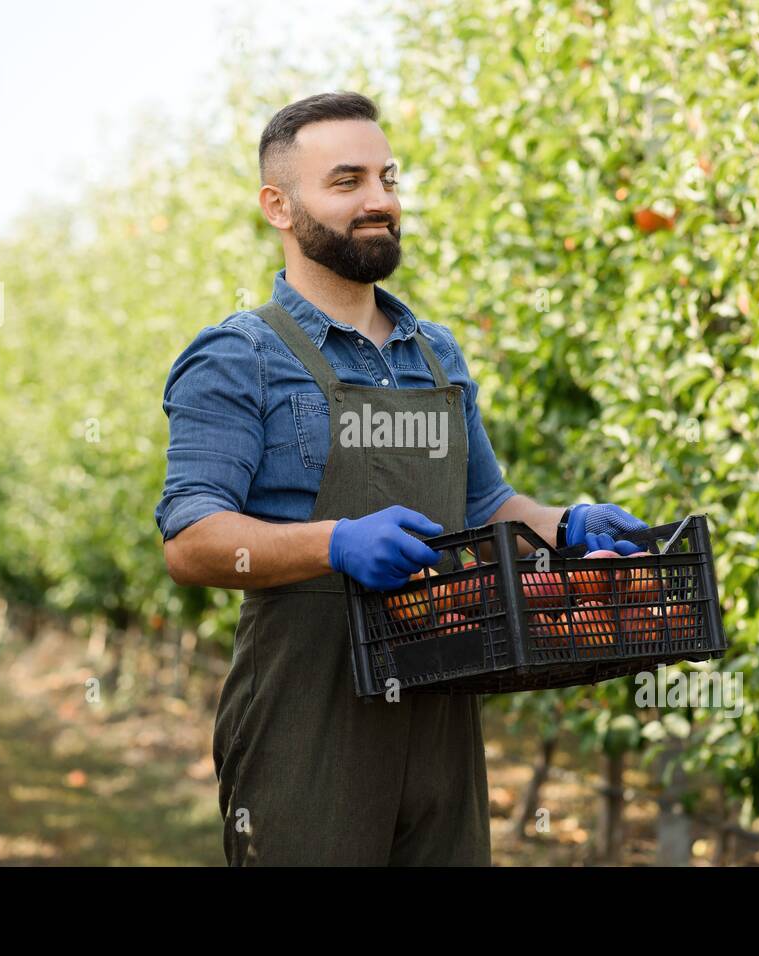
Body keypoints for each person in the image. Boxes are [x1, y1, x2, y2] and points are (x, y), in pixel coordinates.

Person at [155, 91, 647, 866]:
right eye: (347, 182)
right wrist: (335, 543)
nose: (380, 199)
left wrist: (567, 526)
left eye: (388, 177)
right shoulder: (238, 356)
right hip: (308, 709)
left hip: (441, 687)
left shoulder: (434, 351)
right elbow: (191, 540)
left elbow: (486, 504)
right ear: (278, 206)